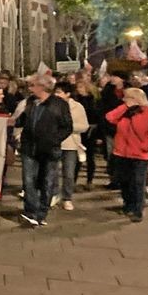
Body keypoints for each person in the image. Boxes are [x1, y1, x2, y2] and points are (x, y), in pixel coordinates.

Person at [14, 74, 73, 227]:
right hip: (29, 148)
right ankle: (30, 211)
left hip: (49, 150)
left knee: (47, 182)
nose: (30, 88)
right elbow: (23, 121)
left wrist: (54, 140)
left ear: (42, 87)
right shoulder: (30, 102)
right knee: (28, 181)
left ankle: (41, 213)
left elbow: (67, 126)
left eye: (32, 85)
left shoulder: (59, 104)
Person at [105, 88, 148, 222]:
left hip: (139, 155)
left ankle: (137, 211)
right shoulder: (125, 112)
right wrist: (124, 107)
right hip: (121, 153)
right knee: (124, 181)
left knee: (138, 183)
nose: (124, 100)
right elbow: (110, 117)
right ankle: (128, 205)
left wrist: (145, 146)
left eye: (127, 98)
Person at [53, 82, 90, 211]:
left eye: (59, 92)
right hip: (54, 143)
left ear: (67, 94)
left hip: (71, 144)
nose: (56, 95)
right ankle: (53, 195)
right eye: (55, 92)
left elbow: (84, 126)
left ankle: (67, 198)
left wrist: (68, 127)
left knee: (68, 173)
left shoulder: (77, 107)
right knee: (53, 171)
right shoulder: (51, 105)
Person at [73, 78, 102, 186]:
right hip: (79, 130)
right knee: (77, 157)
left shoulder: (94, 100)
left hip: (91, 130)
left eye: (81, 87)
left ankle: (89, 180)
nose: (78, 89)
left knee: (90, 157)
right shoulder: (76, 100)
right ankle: (73, 180)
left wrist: (99, 135)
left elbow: (99, 117)